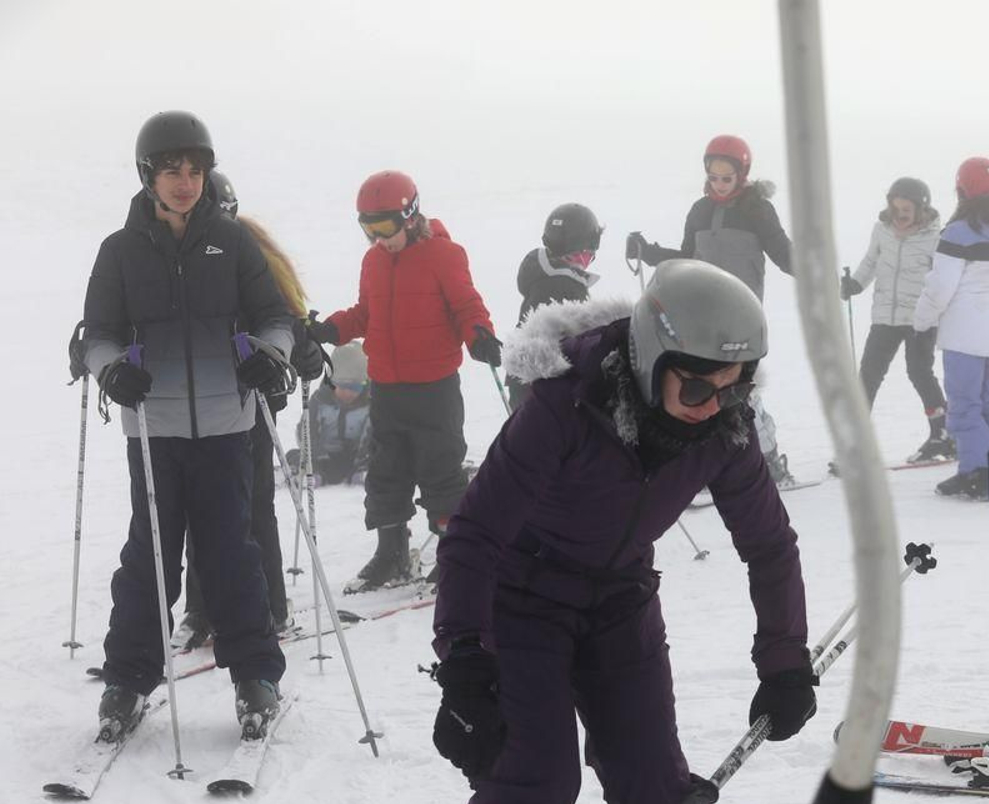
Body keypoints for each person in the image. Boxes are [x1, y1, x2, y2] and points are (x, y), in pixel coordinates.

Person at [377, 259, 814, 804]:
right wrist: (465, 662)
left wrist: (784, 658)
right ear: (651, 361)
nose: (716, 405)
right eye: (698, 389)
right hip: (520, 599)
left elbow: (768, 543)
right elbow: (473, 536)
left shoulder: (721, 426)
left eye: (735, 386)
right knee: (532, 782)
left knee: (659, 786)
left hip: (618, 605)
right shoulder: (563, 406)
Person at [82, 111, 317, 740]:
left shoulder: (234, 241)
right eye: (171, 169)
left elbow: (276, 318)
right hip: (153, 429)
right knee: (150, 557)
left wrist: (270, 358)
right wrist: (109, 373)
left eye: (195, 169)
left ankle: (255, 677)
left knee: (230, 553)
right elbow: (96, 336)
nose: (185, 181)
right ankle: (128, 680)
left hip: (225, 425)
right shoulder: (120, 250)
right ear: (148, 175)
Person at [307, 171, 500, 590]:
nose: (379, 238)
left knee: (440, 468)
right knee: (386, 470)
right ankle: (391, 553)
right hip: (388, 386)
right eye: (369, 228)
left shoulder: (445, 256)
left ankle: (455, 553)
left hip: (434, 386)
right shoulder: (374, 260)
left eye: (386, 226)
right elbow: (365, 314)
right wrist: (331, 329)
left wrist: (480, 335)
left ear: (410, 216)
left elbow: (467, 305)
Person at [175, 168, 326, 650]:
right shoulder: (177, 258)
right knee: (199, 507)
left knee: (251, 504)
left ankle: (270, 608)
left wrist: (301, 347)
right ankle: (200, 611)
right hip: (194, 401)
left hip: (252, 400)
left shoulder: (252, 252)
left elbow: (285, 314)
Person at [625, 135, 798, 485]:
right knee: (700, 392)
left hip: (741, 319)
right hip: (700, 320)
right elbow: (687, 258)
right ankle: (704, 465)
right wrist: (648, 251)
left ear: (742, 174)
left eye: (726, 177)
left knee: (740, 390)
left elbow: (784, 253)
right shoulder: (699, 211)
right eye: (713, 176)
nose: (719, 184)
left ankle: (768, 460)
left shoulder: (757, 210)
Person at [913, 157, 989, 499]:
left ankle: (976, 472)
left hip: (965, 334)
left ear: (963, 189)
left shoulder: (959, 231)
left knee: (965, 404)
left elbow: (940, 287)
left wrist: (921, 320)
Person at [840, 176, 953, 464]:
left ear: (922, 209)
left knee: (919, 372)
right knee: (868, 375)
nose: (900, 215)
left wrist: (937, 309)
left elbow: (942, 278)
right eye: (895, 208)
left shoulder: (934, 237)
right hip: (884, 317)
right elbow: (870, 262)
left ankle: (942, 435)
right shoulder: (882, 230)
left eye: (906, 210)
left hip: (920, 319)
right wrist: (855, 284)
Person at [506, 203, 603, 409]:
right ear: (579, 250)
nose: (590, 259)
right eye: (589, 253)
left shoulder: (544, 277)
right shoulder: (565, 286)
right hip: (541, 391)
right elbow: (577, 345)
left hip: (524, 384)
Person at [286, 341, 374, 487]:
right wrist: (318, 456)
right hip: (324, 458)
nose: (348, 392)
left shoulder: (370, 404)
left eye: (355, 387)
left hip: (357, 459)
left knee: (385, 456)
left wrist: (363, 458)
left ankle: (364, 474)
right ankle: (311, 474)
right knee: (294, 455)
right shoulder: (320, 400)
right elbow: (307, 431)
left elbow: (374, 434)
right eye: (342, 386)